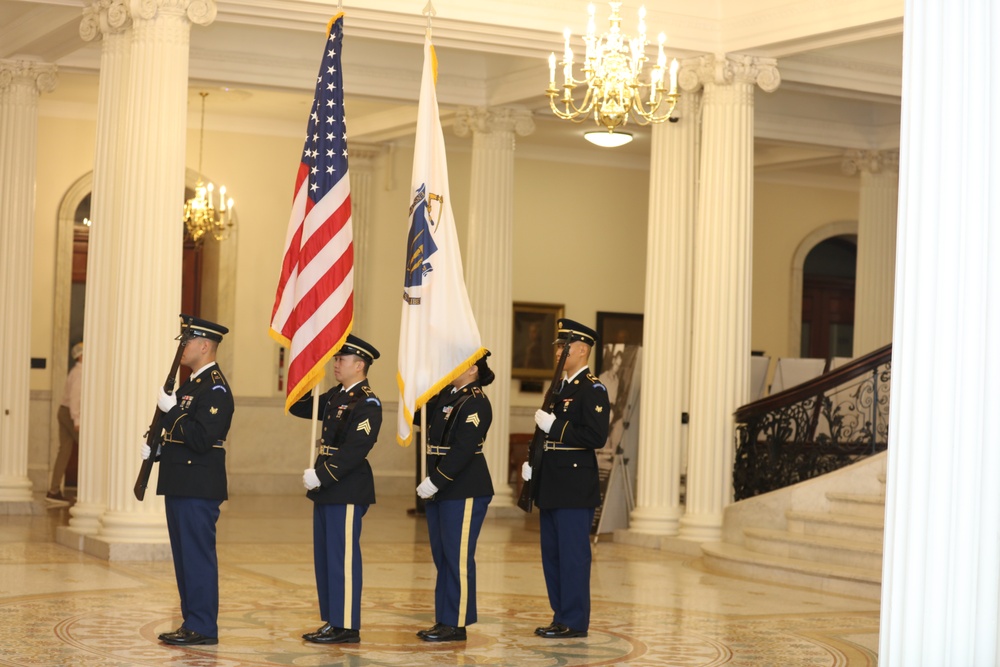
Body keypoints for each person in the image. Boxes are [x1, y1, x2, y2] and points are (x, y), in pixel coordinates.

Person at [141, 315, 234, 646]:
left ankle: (204, 626)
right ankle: (192, 621)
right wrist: (158, 450)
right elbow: (182, 438)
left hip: (198, 486)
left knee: (197, 557)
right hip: (181, 481)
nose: (182, 348)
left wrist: (174, 412)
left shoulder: (216, 388)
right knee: (184, 559)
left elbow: (201, 438)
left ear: (205, 346)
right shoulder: (194, 384)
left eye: (188, 342)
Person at [290, 334, 382, 645]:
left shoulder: (368, 402)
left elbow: (357, 448)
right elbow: (299, 408)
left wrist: (323, 475)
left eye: (341, 359)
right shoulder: (334, 395)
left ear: (360, 365)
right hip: (328, 486)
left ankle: (347, 625)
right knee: (326, 557)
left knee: (342, 558)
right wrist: (307, 373)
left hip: (346, 486)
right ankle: (333, 620)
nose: (336, 364)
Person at [522, 318, 610, 639]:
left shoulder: (593, 389)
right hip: (551, 481)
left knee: (573, 556)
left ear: (581, 349)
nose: (558, 350)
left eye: (563, 345)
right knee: (553, 555)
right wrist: (532, 462)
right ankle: (560, 615)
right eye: (559, 345)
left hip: (574, 485)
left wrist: (554, 427)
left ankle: (574, 620)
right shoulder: (560, 386)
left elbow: (595, 435)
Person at [415, 353, 495, 643]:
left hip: (463, 488)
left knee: (457, 558)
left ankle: (456, 623)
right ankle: (445, 618)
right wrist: (418, 385)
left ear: (472, 369)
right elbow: (417, 417)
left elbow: (464, 449)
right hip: (443, 487)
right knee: (443, 556)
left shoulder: (475, 401)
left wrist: (436, 481)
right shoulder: (448, 395)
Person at [47, 341, 83, 505]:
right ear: (81, 355)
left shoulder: (76, 371)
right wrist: (77, 419)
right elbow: (76, 398)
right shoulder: (80, 373)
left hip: (64, 411)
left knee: (65, 451)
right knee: (86, 451)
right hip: (69, 413)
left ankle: (53, 491)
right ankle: (86, 494)